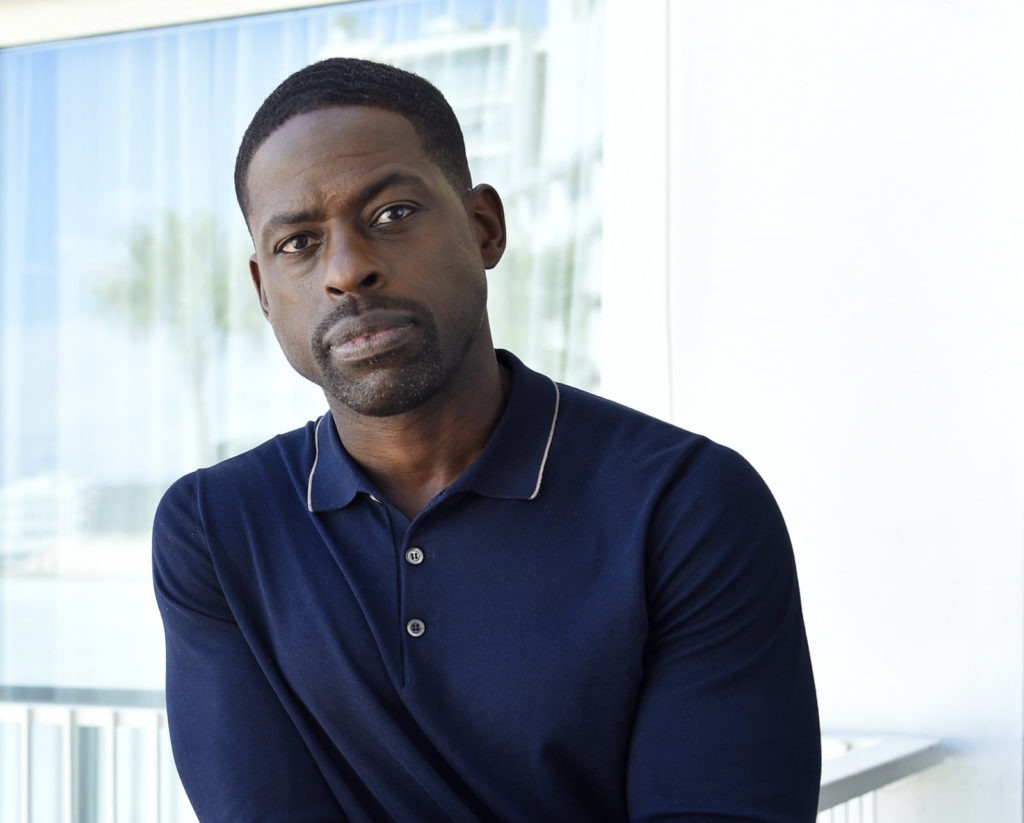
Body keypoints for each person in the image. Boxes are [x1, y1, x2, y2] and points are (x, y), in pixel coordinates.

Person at [153, 57, 821, 822]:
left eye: (392, 214)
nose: (347, 270)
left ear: (484, 228)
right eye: (298, 243)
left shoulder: (686, 503)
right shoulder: (215, 527)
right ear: (264, 292)